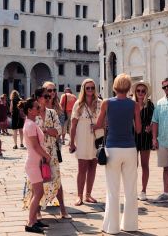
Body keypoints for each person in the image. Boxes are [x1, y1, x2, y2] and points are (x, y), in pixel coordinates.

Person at [95, 73, 141, 234]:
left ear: (114, 86)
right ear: (129, 88)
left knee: (112, 190)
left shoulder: (106, 103)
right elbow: (139, 129)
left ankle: (112, 227)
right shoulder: (134, 105)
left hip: (112, 148)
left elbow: (99, 124)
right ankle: (130, 225)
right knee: (130, 189)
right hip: (129, 148)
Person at [19, 98, 51, 233]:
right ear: (29, 110)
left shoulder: (31, 123)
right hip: (33, 163)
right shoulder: (31, 125)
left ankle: (34, 220)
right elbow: (35, 146)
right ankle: (31, 223)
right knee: (39, 192)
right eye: (37, 108)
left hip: (34, 162)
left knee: (36, 192)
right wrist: (46, 155)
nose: (39, 109)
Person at [69, 78, 103, 206]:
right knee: (82, 168)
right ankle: (79, 196)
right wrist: (72, 142)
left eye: (92, 88)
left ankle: (88, 194)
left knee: (93, 167)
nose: (90, 90)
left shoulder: (100, 103)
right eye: (87, 88)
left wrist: (98, 126)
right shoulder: (78, 104)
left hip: (96, 137)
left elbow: (106, 122)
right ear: (83, 89)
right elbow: (73, 125)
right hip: (82, 137)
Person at [42, 82, 71, 219]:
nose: (52, 92)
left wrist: (49, 131)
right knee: (40, 176)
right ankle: (38, 205)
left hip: (54, 146)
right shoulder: (39, 107)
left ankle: (63, 209)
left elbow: (58, 131)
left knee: (56, 177)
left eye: (54, 90)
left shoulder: (58, 108)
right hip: (40, 147)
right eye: (49, 90)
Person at [131, 81, 154, 201]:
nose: (140, 93)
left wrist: (151, 127)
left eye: (143, 91)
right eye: (138, 90)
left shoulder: (150, 105)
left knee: (145, 165)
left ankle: (143, 190)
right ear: (135, 92)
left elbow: (154, 119)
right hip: (132, 136)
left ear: (146, 93)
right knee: (132, 166)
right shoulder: (131, 103)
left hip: (145, 136)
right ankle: (132, 190)